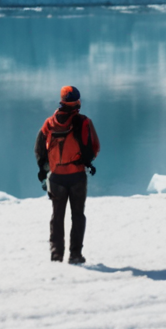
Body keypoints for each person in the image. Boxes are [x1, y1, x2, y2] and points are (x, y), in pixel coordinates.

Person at [34, 85, 100, 263]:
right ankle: (75, 255)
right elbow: (95, 147)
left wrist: (45, 170)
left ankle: (56, 255)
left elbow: (39, 149)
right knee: (77, 215)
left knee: (57, 217)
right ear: (78, 102)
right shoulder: (84, 122)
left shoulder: (49, 123)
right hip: (77, 176)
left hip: (56, 178)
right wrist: (87, 161)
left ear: (61, 101)